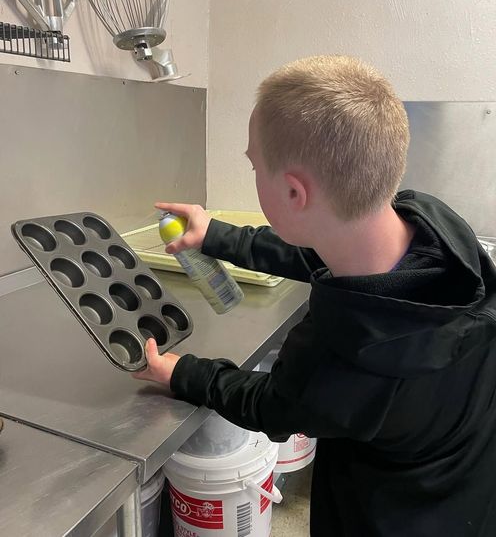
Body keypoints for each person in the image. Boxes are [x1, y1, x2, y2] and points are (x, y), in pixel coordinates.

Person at [133, 55, 496, 536]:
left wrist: (184, 372)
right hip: (471, 487)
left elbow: (270, 406)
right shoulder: (434, 225)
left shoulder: (345, 355)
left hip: (385, 519)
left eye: (254, 164)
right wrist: (217, 235)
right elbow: (322, 251)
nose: (252, 172)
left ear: (293, 193)